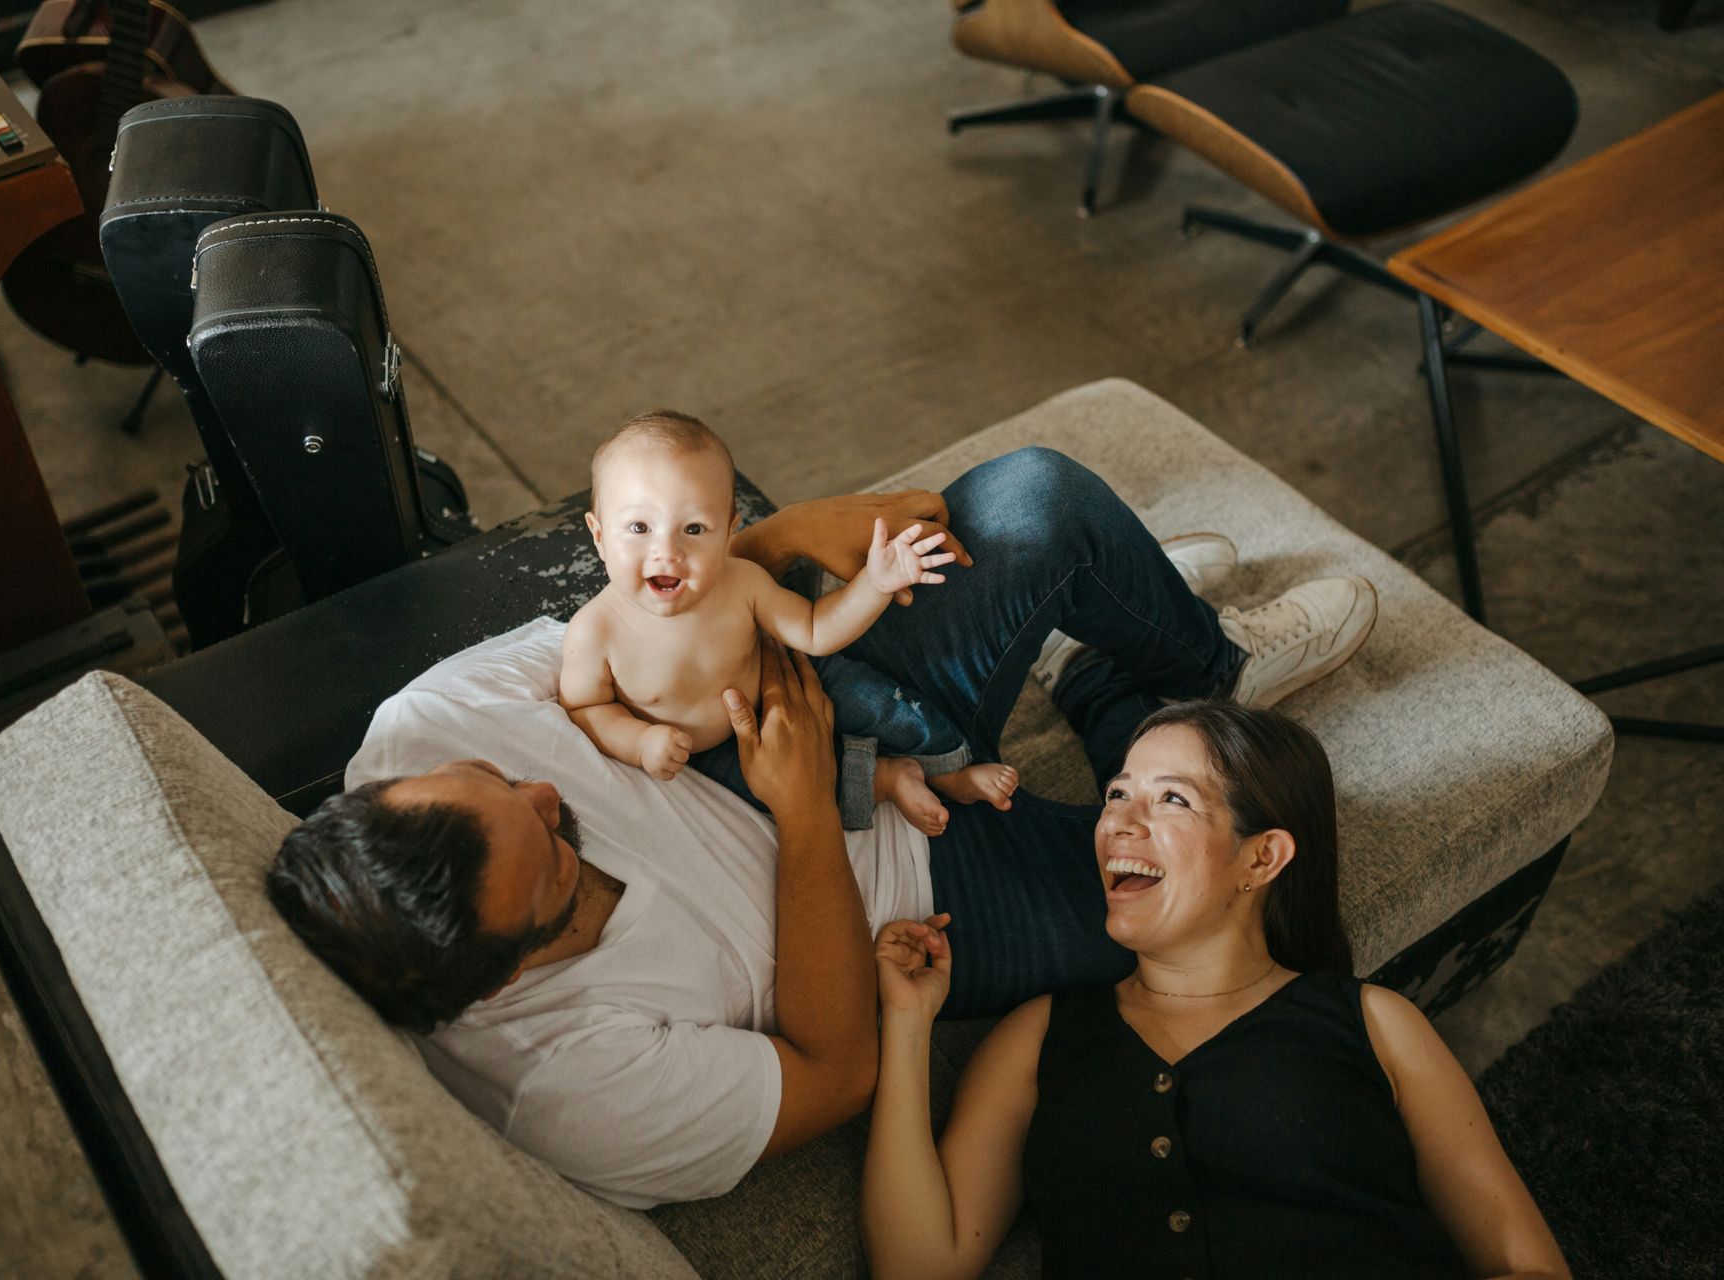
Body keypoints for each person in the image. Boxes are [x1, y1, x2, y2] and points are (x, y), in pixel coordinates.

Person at [266, 447, 1380, 1207]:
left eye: (505, 781)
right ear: (507, 974)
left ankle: (1203, 663)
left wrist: (780, 540)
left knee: (1039, 501)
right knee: (1235, 915)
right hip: (905, 894)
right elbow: (837, 1070)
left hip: (796, 698)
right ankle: (1099, 669)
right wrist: (805, 815)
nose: (550, 798)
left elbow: (628, 629)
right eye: (556, 854)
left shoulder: (422, 727)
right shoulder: (569, 1091)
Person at [862, 700, 1570, 1280]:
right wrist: (907, 1022)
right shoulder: (1040, 1035)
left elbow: (1528, 1266)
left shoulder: (1374, 1024)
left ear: (1261, 857)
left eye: (1171, 798)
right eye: (1117, 794)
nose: (1117, 823)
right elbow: (919, 1266)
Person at [561, 409, 1017, 836]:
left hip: (781, 680)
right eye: (639, 528)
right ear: (598, 535)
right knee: (769, 799)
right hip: (711, 754)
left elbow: (816, 630)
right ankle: (887, 779)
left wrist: (876, 584)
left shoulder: (741, 583)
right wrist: (640, 742)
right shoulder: (596, 631)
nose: (668, 551)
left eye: (694, 528)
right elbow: (587, 710)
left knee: (876, 698)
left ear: (728, 532)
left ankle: (949, 767)